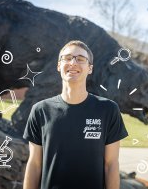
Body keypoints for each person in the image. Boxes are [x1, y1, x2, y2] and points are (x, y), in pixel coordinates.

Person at [23, 40, 128, 189]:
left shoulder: (108, 110)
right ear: (59, 65)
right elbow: (34, 164)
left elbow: (111, 165)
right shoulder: (40, 110)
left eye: (80, 59)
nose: (73, 63)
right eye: (67, 58)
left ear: (90, 68)